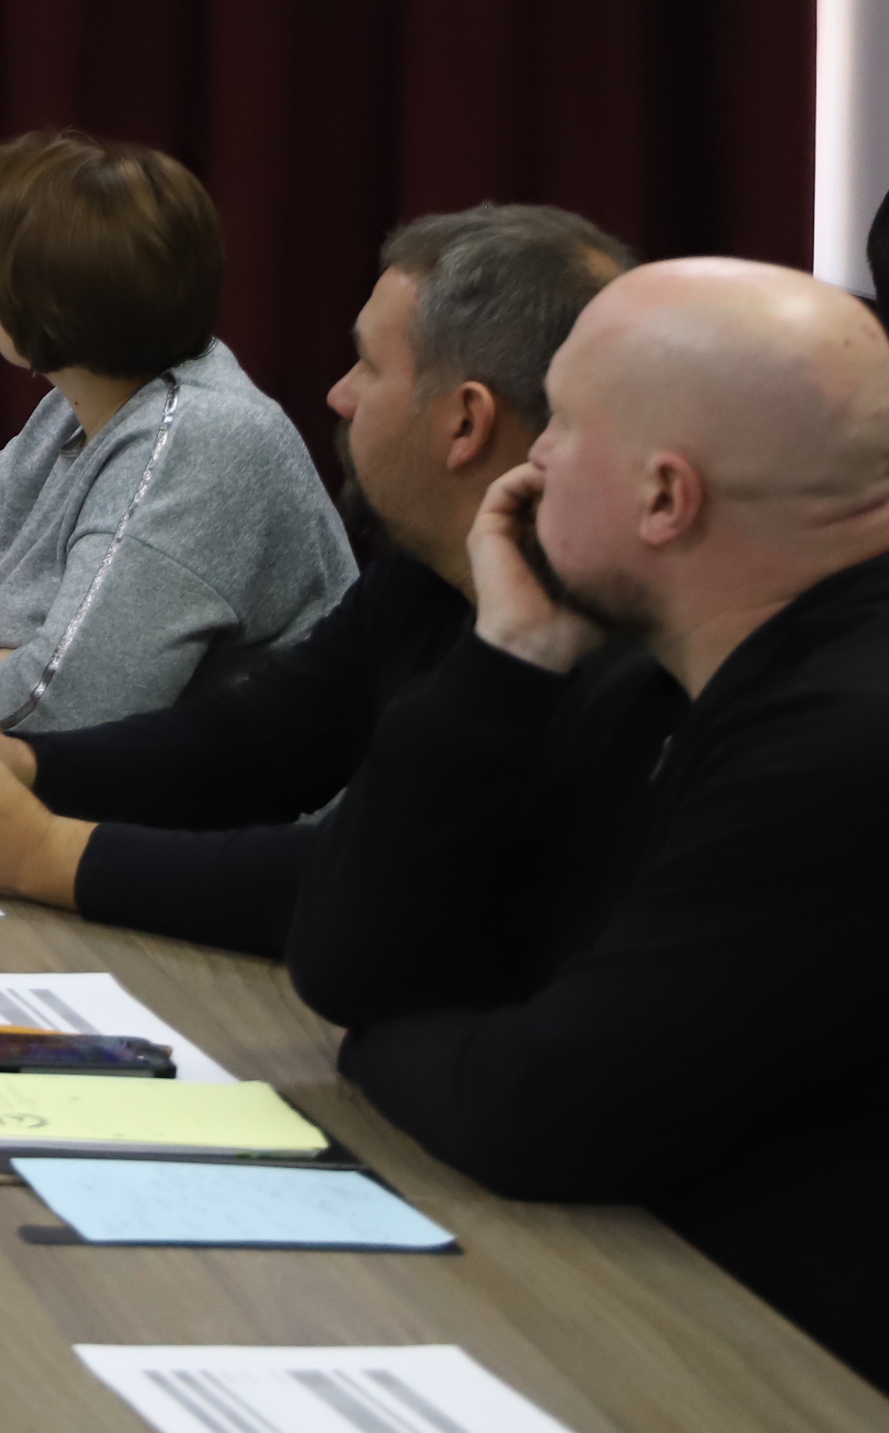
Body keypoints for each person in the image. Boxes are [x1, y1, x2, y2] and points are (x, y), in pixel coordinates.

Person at [283, 258, 889, 1388]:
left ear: (664, 499)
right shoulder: (641, 668)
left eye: (562, 422)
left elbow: (541, 1106)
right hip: (643, 1298)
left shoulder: (843, 744)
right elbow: (349, 958)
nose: (533, 460)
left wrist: (379, 1039)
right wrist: (506, 656)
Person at [0, 203, 630, 949]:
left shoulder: (591, 656)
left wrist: (38, 852)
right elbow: (257, 740)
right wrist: (26, 765)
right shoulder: (426, 579)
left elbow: (363, 887)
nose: (339, 395)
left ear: (466, 422)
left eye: (368, 364)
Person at [0, 129, 350, 733]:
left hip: (234, 790)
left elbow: (67, 703)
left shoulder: (201, 438)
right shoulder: (80, 403)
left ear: (22, 305)